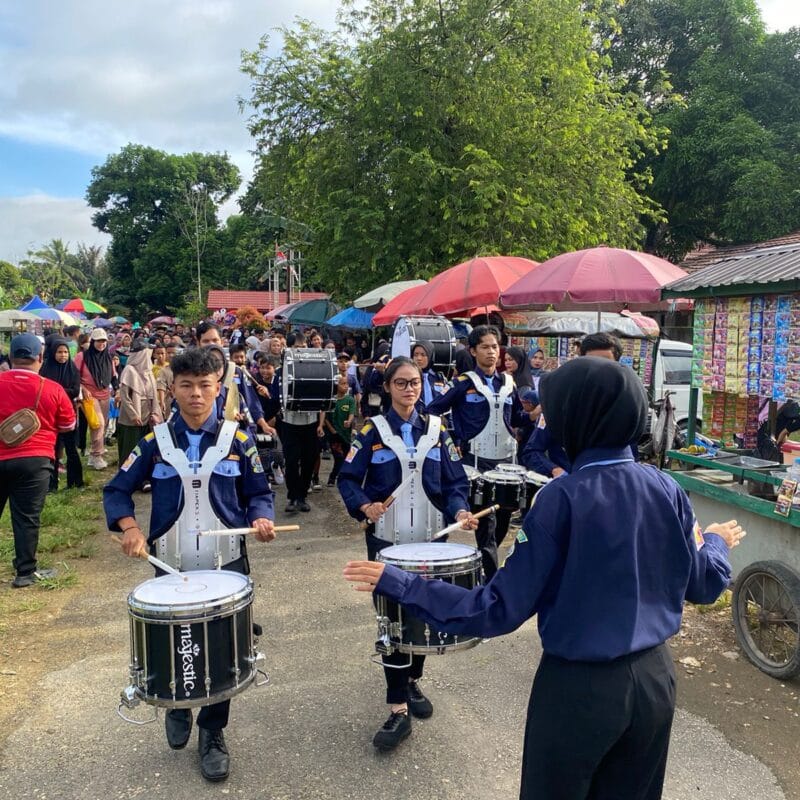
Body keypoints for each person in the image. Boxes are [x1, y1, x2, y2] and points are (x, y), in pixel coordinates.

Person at [344, 356, 745, 799]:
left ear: (579, 418)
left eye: (555, 412)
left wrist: (402, 583)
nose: (546, 421)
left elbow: (497, 609)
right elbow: (705, 585)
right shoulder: (665, 487)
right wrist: (715, 542)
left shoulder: (561, 500)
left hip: (579, 692)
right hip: (655, 684)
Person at [103, 347, 276, 782]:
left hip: (228, 565)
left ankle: (213, 731)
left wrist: (262, 516)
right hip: (170, 568)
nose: (196, 394)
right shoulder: (154, 443)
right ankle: (176, 705)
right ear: (172, 390)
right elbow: (116, 490)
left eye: (204, 386)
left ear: (218, 388)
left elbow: (259, 491)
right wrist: (129, 528)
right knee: (174, 641)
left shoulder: (238, 439)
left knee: (224, 652)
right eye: (186, 386)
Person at [338, 356, 477, 752]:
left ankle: (412, 679)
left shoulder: (437, 430)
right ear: (387, 388)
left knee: (422, 618)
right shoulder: (371, 432)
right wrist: (365, 506)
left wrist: (461, 511)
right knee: (392, 626)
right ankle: (398, 707)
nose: (409, 389)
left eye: (414, 382)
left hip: (432, 543)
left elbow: (454, 484)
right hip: (387, 545)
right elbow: (348, 479)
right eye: (400, 383)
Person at [428, 325, 515, 577]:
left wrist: (540, 411)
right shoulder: (462, 383)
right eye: (485, 347)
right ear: (473, 351)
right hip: (476, 463)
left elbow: (518, 417)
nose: (491, 352)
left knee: (502, 521)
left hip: (506, 465)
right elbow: (433, 411)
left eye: (495, 347)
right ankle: (489, 579)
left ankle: (482, 567)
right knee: (486, 525)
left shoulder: (508, 383)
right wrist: (449, 437)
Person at [0, 334, 76, 587]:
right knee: (26, 517)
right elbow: (68, 424)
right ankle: (24, 573)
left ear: (10, 357)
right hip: (35, 460)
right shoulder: (51, 388)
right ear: (40, 358)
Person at [522, 332, 627, 477]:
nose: (598, 370)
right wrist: (554, 470)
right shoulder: (559, 404)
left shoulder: (624, 410)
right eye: (591, 362)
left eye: (606, 364)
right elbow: (532, 452)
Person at [39, 336, 83, 491]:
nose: (63, 355)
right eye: (59, 352)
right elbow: (42, 389)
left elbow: (75, 391)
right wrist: (62, 392)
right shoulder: (45, 369)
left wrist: (56, 391)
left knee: (71, 449)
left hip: (67, 413)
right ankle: (51, 485)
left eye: (65, 352)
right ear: (53, 353)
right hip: (50, 414)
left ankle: (75, 483)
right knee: (53, 450)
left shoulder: (72, 369)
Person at [74, 328, 116, 470]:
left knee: (101, 425)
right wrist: (83, 388)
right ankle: (97, 455)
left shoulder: (108, 357)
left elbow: (113, 375)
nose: (101, 344)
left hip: (105, 393)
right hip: (89, 395)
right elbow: (74, 376)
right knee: (98, 423)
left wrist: (117, 389)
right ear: (93, 342)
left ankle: (93, 454)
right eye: (98, 341)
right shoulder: (82, 356)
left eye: (104, 341)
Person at [116, 340, 162, 466]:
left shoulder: (148, 372)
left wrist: (155, 413)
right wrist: (133, 415)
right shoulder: (129, 370)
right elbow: (125, 397)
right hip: (132, 420)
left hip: (147, 418)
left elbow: (153, 396)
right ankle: (127, 477)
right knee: (130, 450)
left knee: (145, 449)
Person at [324, 375, 356, 486]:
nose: (346, 386)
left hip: (346, 435)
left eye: (347, 384)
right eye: (343, 384)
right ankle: (332, 478)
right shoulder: (331, 400)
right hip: (334, 435)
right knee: (338, 458)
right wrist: (332, 430)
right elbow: (325, 417)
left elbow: (352, 413)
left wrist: (349, 421)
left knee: (349, 457)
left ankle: (345, 477)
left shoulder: (350, 400)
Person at [411, 342, 447, 412]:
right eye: (416, 354)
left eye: (423, 355)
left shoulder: (439, 378)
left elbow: (446, 402)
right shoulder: (408, 378)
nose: (419, 358)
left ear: (430, 356)